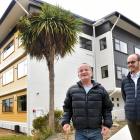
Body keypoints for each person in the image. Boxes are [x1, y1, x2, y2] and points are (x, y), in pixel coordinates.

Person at [61, 63, 113, 140]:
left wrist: (107, 124)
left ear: (91, 73)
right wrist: (65, 122)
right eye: (81, 71)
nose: (83, 72)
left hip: (97, 132)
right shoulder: (72, 90)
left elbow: (107, 108)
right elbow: (67, 109)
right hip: (79, 132)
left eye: (86, 69)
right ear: (78, 74)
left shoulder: (100, 89)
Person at [121, 54, 140, 140]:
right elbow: (125, 97)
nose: (130, 64)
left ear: (139, 62)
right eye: (128, 63)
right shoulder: (124, 81)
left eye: (132, 62)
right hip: (131, 119)